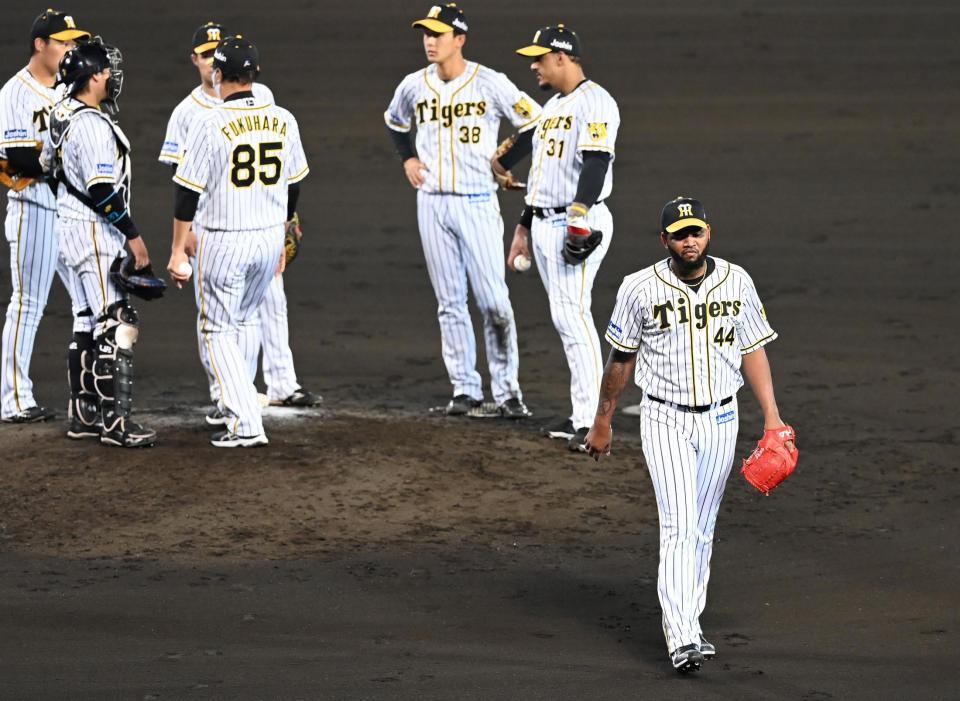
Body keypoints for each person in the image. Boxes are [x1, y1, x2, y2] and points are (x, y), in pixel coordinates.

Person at [583, 196, 794, 673]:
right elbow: (621, 359)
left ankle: (691, 625)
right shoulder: (639, 288)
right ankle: (680, 636)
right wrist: (603, 420)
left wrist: (773, 417)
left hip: (723, 417)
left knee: (703, 527)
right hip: (665, 419)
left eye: (695, 231)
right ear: (665, 241)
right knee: (678, 525)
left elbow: (753, 350)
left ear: (708, 233)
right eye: (680, 234)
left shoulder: (736, 280)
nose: (689, 240)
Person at [384, 3, 540, 418]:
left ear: (461, 39)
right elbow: (395, 122)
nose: (430, 40)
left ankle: (508, 392)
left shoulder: (489, 83)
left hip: (477, 202)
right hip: (432, 204)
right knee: (449, 301)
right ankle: (465, 389)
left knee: (493, 301)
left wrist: (504, 164)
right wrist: (408, 160)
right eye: (426, 33)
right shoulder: (413, 86)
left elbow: (534, 122)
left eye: (439, 33)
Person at [159, 22, 320, 426]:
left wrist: (176, 246)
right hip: (257, 230)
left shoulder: (218, 118)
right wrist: (283, 227)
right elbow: (293, 179)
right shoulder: (199, 112)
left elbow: (185, 188)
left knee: (223, 324)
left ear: (219, 70)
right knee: (240, 319)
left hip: (228, 235)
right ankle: (230, 397)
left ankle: (245, 405)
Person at [495, 24, 620, 449]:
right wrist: (524, 226)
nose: (534, 65)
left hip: (576, 220)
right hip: (546, 222)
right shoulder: (551, 108)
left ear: (563, 58)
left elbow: (597, 161)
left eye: (540, 57)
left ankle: (590, 420)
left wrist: (580, 217)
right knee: (567, 317)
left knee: (573, 316)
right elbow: (540, 174)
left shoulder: (596, 102)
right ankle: (581, 415)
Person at [46, 38, 157, 447]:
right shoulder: (91, 125)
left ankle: (83, 413)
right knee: (117, 324)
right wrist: (135, 238)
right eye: (107, 71)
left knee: (86, 320)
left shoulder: (62, 115)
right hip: (93, 231)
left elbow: (49, 170)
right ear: (92, 76)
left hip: (66, 229)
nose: (112, 76)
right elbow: (102, 191)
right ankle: (116, 424)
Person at [0, 9, 90, 423]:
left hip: (70, 212)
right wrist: (67, 166)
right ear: (40, 44)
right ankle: (14, 399)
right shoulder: (15, 93)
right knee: (29, 304)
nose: (70, 48)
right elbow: (19, 157)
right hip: (33, 209)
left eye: (73, 42)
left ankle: (89, 394)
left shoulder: (69, 90)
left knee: (89, 302)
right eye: (63, 42)